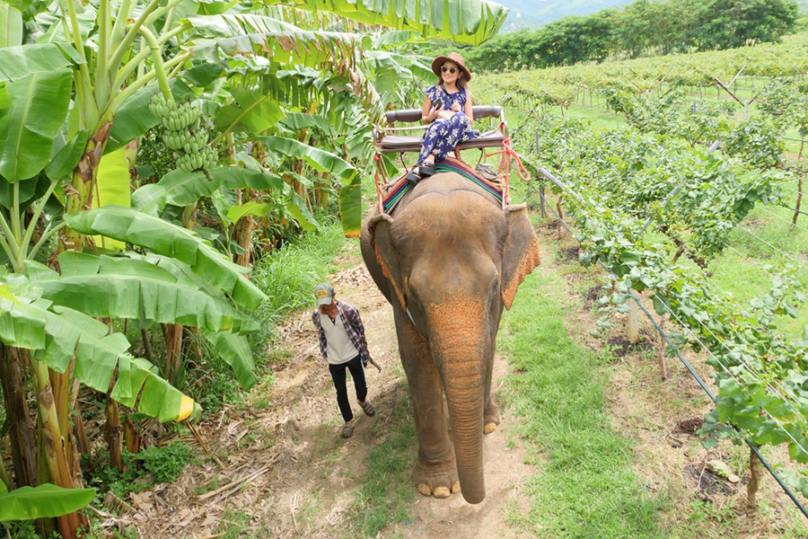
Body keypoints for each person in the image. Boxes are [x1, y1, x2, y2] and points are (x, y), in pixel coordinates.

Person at [311, 283, 376, 439]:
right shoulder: (316, 315)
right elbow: (322, 334)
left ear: (334, 296)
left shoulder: (349, 310)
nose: (324, 306)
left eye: (327, 301)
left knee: (361, 384)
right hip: (334, 360)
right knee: (341, 391)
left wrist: (364, 352)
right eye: (321, 303)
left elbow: (360, 332)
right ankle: (348, 421)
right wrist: (326, 353)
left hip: (352, 354)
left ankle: (361, 400)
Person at [407, 51, 478, 185]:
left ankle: (430, 157)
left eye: (452, 70)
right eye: (444, 69)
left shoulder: (464, 94)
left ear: (459, 74)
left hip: (458, 133)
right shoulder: (431, 92)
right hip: (438, 131)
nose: (447, 73)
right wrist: (431, 116)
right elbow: (424, 119)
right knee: (439, 123)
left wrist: (459, 111)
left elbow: (470, 120)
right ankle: (424, 162)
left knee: (460, 117)